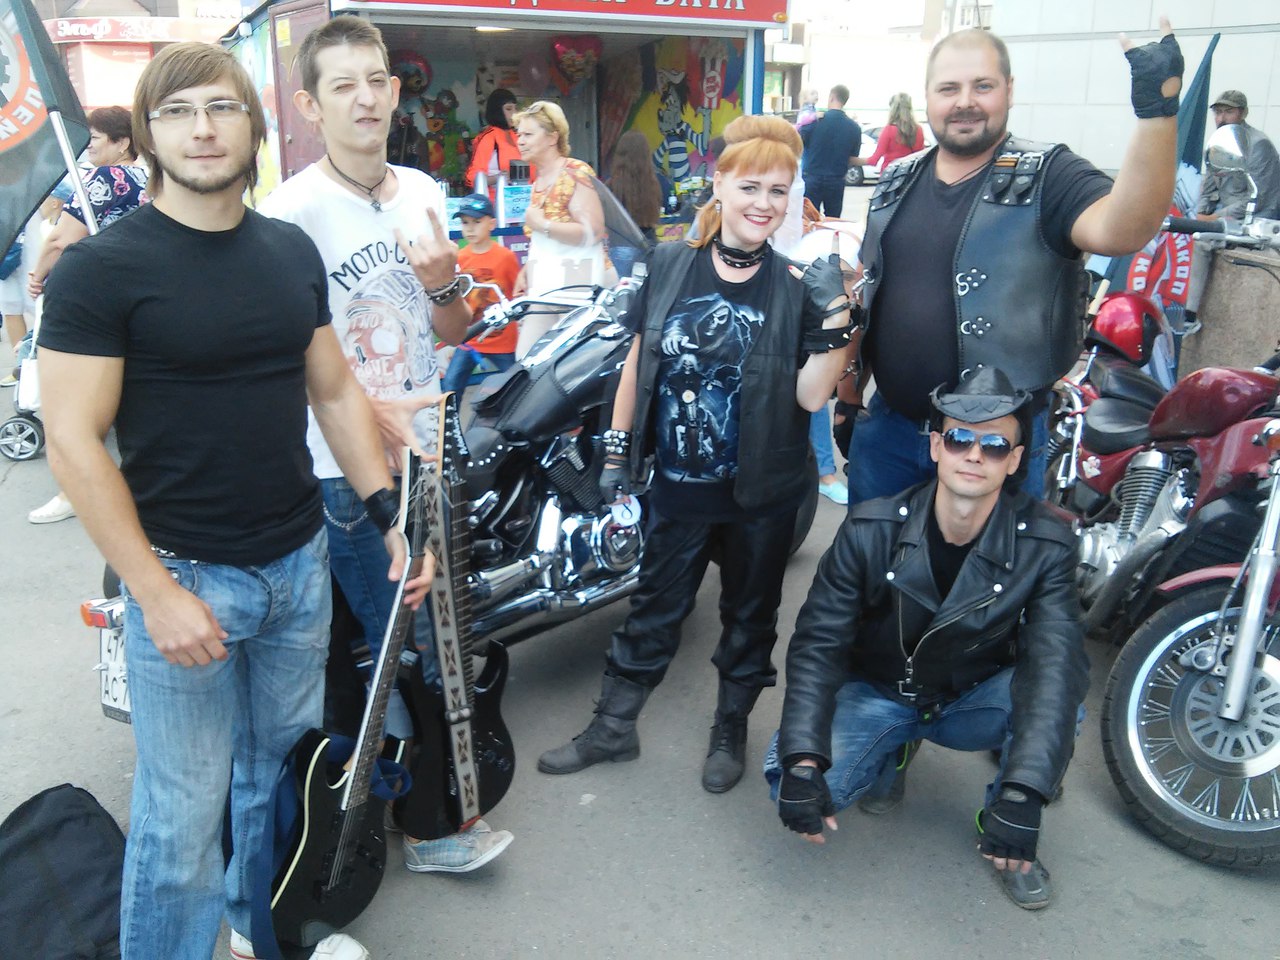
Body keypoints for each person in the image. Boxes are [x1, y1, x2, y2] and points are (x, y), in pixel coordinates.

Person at [36, 42, 416, 960]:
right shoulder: (103, 270)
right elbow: (72, 441)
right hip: (185, 576)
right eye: (176, 112)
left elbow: (334, 389)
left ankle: (257, 932)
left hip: (297, 566)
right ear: (148, 135)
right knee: (180, 818)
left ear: (255, 125)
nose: (201, 129)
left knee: (277, 784)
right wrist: (154, 594)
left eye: (221, 107)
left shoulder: (288, 250)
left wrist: (387, 514)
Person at [259, 16, 514, 876]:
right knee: (401, 642)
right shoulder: (288, 213)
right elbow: (282, 359)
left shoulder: (422, 191)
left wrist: (444, 284)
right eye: (343, 85)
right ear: (310, 105)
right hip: (346, 471)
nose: (364, 99)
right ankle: (426, 824)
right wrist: (364, 412)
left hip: (429, 450)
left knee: (440, 629)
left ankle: (423, 799)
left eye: (376, 80)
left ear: (396, 90)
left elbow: (452, 328)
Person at [536, 115, 853, 794]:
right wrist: (616, 451)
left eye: (778, 190)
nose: (763, 203)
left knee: (750, 617)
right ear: (720, 185)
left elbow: (810, 397)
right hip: (680, 486)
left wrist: (836, 323)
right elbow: (636, 361)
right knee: (654, 607)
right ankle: (613, 727)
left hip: (763, 494)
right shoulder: (669, 264)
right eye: (750, 187)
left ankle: (730, 728)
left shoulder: (797, 285)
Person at [766, 367, 1088, 910]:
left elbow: (1055, 665)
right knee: (793, 785)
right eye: (959, 438)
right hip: (881, 692)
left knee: (1064, 702)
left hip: (970, 699)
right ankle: (895, 748)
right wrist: (802, 759)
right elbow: (818, 645)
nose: (974, 455)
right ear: (937, 447)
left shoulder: (1047, 546)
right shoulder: (869, 528)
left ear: (1014, 461)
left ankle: (1002, 822)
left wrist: (1024, 794)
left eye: (994, 445)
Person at [843, 22, 1183, 506]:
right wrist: (849, 397)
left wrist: (1156, 114)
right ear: (928, 96)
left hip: (997, 448)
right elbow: (869, 294)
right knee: (867, 555)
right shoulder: (896, 179)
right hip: (890, 435)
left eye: (982, 86)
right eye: (949, 88)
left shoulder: (1051, 174)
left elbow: (1123, 229)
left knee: (991, 560)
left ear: (1009, 89)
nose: (965, 102)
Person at [26, 106, 151, 525]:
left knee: (77, 407)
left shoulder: (104, 178)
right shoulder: (149, 178)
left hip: (92, 302)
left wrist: (37, 277)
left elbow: (61, 238)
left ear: (122, 142)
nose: (89, 147)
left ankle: (74, 493)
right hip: (139, 298)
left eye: (96, 139)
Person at [512, 100, 608, 355]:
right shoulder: (539, 180)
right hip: (548, 290)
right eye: (519, 135)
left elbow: (594, 231)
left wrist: (541, 224)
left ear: (553, 137)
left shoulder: (575, 172)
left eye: (528, 134)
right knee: (527, 359)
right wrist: (527, 270)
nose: (520, 141)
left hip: (577, 291)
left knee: (568, 363)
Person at [1184, 89, 1280, 332]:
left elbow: (1256, 199)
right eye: (1218, 112)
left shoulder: (1258, 145)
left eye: (1229, 112)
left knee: (1202, 240)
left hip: (1255, 220)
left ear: (1243, 113)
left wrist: (1211, 219)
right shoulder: (1219, 141)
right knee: (1177, 230)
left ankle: (1188, 315)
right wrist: (1196, 215)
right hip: (1224, 215)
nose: (1222, 118)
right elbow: (1208, 187)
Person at [442, 192, 520, 394]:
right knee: (451, 385)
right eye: (465, 222)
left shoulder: (506, 257)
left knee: (516, 386)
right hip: (470, 338)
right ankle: (451, 416)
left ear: (491, 224)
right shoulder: (459, 258)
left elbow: (517, 294)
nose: (470, 228)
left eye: (477, 222)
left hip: (502, 340)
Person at [606, 129, 663, 280]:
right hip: (649, 246)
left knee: (622, 292)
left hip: (620, 247)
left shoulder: (611, 186)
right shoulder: (655, 184)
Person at [799, 85, 862, 218]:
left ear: (831, 97)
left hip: (812, 178)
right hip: (836, 180)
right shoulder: (854, 128)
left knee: (809, 219)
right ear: (845, 101)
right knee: (833, 221)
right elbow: (852, 158)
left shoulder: (815, 120)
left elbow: (798, 141)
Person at [465, 87, 525, 193]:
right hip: (495, 200)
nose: (514, 113)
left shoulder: (518, 136)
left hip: (521, 197)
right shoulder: (488, 137)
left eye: (515, 108)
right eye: (509, 109)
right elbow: (472, 178)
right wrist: (498, 178)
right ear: (497, 111)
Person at [852, 92, 925, 173]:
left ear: (893, 110)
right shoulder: (918, 130)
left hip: (890, 175)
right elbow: (920, 158)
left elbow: (873, 160)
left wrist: (849, 160)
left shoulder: (889, 130)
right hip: (911, 175)